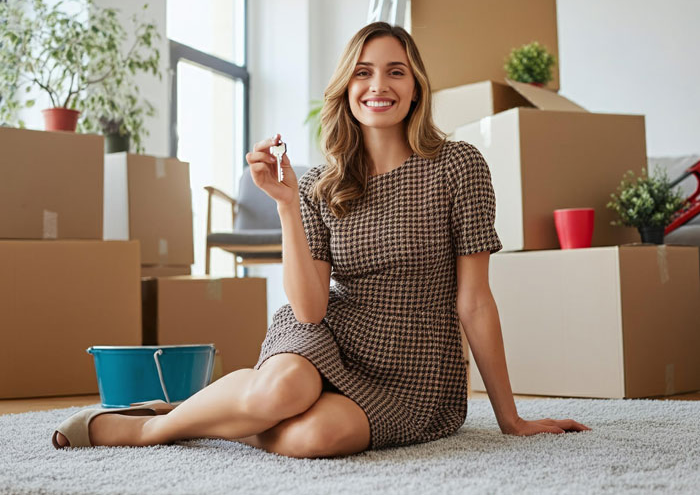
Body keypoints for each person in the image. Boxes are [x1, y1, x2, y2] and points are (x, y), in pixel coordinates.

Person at [52, 22, 591, 456]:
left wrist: (510, 418)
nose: (378, 86)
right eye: (363, 72)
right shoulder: (316, 184)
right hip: (326, 336)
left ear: (416, 88)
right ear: (347, 88)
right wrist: (286, 204)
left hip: (415, 368)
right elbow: (309, 310)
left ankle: (212, 409)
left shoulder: (458, 166)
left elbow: (474, 301)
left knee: (315, 439)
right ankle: (150, 430)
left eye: (395, 72)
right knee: (284, 392)